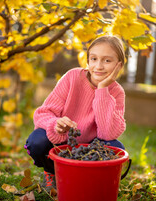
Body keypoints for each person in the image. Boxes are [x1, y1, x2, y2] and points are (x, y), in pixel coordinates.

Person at [24, 35, 126, 192]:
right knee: (37, 141)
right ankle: (51, 172)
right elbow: (43, 113)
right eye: (93, 59)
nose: (98, 66)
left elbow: (107, 133)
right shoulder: (72, 77)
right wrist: (55, 124)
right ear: (88, 60)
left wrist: (103, 89)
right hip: (62, 141)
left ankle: (86, 179)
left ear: (119, 65)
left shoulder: (117, 92)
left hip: (90, 148)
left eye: (107, 61)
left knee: (115, 148)